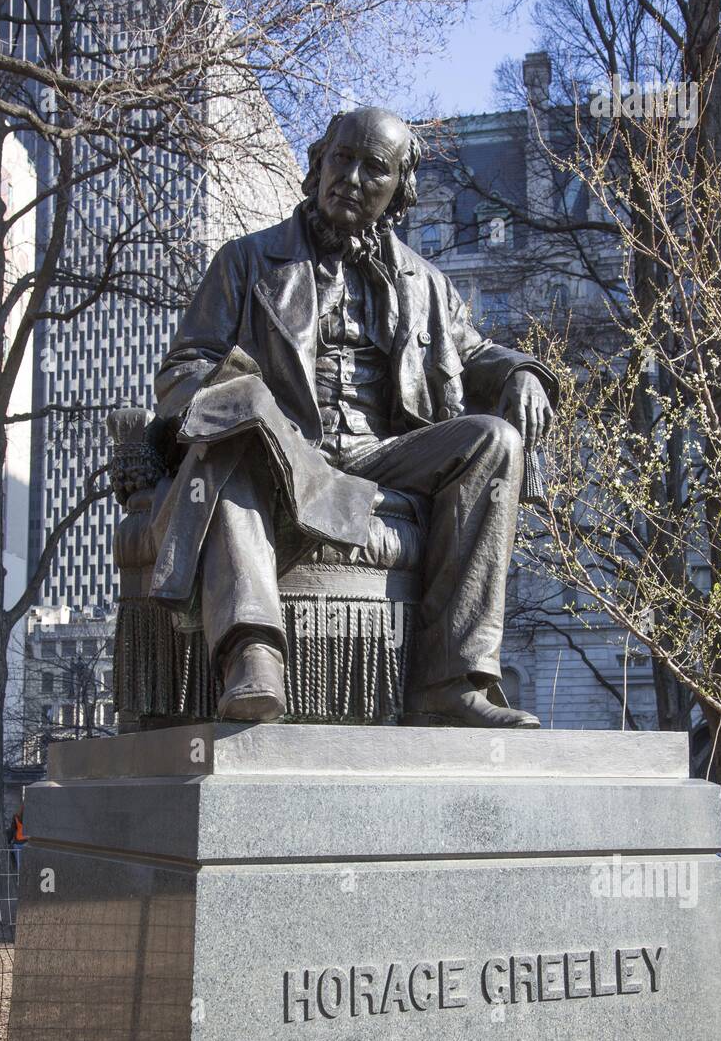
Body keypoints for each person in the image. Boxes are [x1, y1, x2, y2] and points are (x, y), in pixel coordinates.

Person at [145, 107, 558, 727]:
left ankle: (451, 682)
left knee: (494, 441)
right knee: (236, 425)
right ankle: (252, 654)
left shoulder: (426, 285)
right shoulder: (248, 261)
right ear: (318, 165)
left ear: (398, 192)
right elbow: (183, 371)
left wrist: (523, 371)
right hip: (281, 447)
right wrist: (239, 396)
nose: (353, 177)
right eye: (342, 159)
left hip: (381, 452)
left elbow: (474, 354)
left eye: (376, 169)